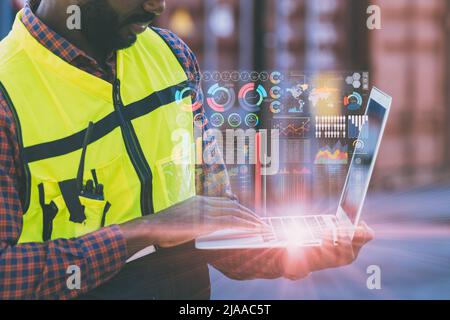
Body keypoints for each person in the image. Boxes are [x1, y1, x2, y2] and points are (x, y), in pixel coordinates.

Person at [0, 0, 373, 300]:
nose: (157, 6)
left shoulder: (172, 56)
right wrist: (144, 231)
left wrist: (294, 255)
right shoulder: (6, 94)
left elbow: (212, 222)